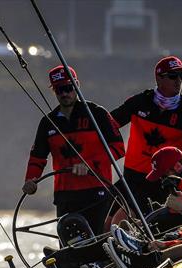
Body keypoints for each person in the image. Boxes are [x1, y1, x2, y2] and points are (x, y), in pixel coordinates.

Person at [23, 65, 125, 235]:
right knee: (69, 243)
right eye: (59, 90)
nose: (64, 93)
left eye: (68, 88)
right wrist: (30, 181)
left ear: (76, 85)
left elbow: (119, 149)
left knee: (98, 240)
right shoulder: (48, 122)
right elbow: (37, 158)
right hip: (65, 195)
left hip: (97, 191)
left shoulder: (97, 114)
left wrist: (90, 165)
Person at [111, 56, 182, 214]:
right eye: (172, 76)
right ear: (158, 78)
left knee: (145, 222)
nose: (178, 81)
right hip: (132, 177)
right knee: (107, 220)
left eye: (181, 76)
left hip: (165, 182)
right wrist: (114, 151)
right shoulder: (140, 102)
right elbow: (108, 125)